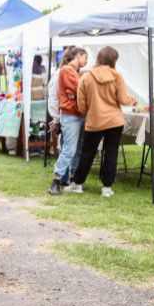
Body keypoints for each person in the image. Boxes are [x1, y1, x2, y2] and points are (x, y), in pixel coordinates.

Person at [72, 46, 137, 198]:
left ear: (99, 58)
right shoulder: (117, 76)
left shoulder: (86, 76)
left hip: (94, 121)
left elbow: (81, 103)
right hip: (115, 121)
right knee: (111, 153)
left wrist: (87, 111)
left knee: (87, 153)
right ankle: (107, 188)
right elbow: (122, 99)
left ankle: (78, 184)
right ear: (113, 60)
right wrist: (133, 101)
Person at [49, 48, 88, 195]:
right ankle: (56, 181)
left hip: (79, 114)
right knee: (69, 149)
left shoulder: (75, 73)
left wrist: (77, 95)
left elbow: (80, 91)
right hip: (70, 115)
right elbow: (81, 89)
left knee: (77, 149)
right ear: (78, 55)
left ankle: (73, 180)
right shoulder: (66, 70)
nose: (87, 61)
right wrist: (76, 94)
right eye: (85, 57)